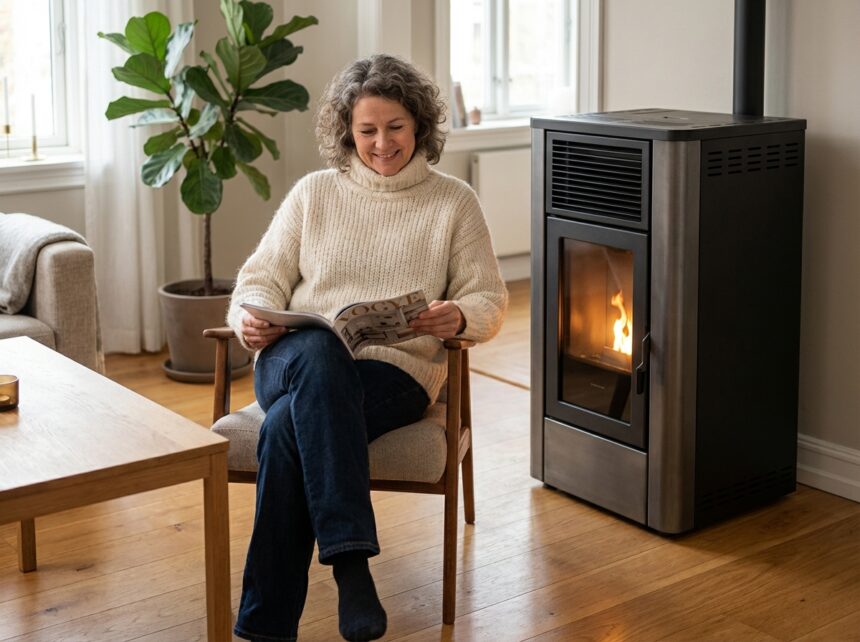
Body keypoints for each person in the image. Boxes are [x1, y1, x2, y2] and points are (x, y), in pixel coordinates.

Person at [226, 54, 508, 642]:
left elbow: (489, 299)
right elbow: (260, 280)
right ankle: (352, 568)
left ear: (420, 125)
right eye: (367, 129)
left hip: (394, 375)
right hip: (291, 361)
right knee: (321, 353)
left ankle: (263, 625)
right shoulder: (313, 194)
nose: (382, 143)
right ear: (347, 132)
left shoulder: (453, 202)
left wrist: (457, 314)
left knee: (284, 431)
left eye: (396, 127)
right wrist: (250, 320)